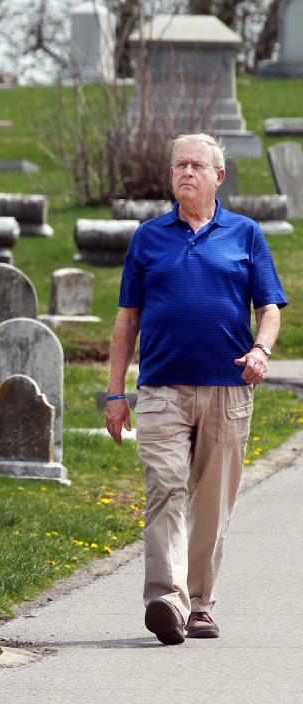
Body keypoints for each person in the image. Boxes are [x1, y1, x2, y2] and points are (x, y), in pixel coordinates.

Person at [106, 133, 287, 645]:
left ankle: (201, 604)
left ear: (218, 177)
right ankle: (166, 599)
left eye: (196, 165)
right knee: (164, 487)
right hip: (162, 389)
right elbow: (126, 322)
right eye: (178, 165)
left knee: (211, 502)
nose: (186, 172)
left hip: (228, 390)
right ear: (171, 177)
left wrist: (261, 350)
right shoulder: (148, 238)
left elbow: (269, 307)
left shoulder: (246, 234)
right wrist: (115, 394)